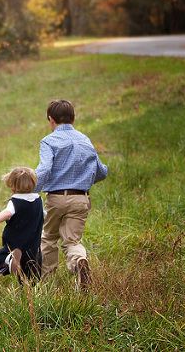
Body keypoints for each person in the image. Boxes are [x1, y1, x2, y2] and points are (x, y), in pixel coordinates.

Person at [35, 99, 108, 291]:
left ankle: (47, 285)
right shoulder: (85, 140)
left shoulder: (49, 141)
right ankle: (79, 262)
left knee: (49, 238)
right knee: (72, 241)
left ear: (50, 120)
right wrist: (82, 180)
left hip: (56, 198)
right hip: (80, 198)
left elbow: (44, 170)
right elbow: (101, 171)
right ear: (74, 119)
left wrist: (31, 192)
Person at [0, 167, 44, 283]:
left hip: (16, 245)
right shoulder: (38, 200)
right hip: (34, 247)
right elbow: (44, 215)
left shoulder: (15, 201)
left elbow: (7, 213)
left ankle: (10, 260)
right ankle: (30, 296)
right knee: (32, 275)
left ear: (13, 188)